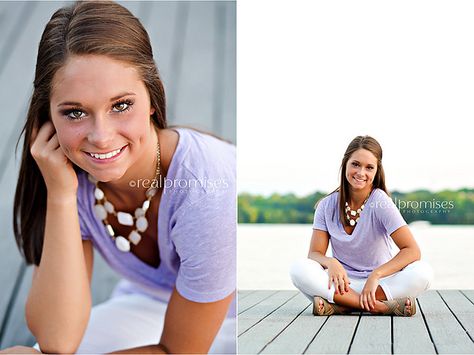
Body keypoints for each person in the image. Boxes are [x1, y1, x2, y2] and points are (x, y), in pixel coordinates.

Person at [1, 1, 235, 354]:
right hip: (149, 306)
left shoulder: (206, 188)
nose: (101, 136)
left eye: (121, 105)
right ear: (48, 116)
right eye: (75, 112)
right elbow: (57, 340)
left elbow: (180, 351)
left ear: (153, 98)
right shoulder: (70, 175)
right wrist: (62, 196)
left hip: (241, 318)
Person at [290, 135, 433, 317]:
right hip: (342, 284)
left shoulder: (381, 202)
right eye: (355, 164)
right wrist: (331, 262)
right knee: (299, 269)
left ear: (376, 171)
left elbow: (412, 251)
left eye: (369, 167)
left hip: (379, 284)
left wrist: (376, 275)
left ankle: (342, 306)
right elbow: (314, 254)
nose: (361, 172)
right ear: (345, 164)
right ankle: (381, 307)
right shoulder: (326, 205)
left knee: (423, 273)